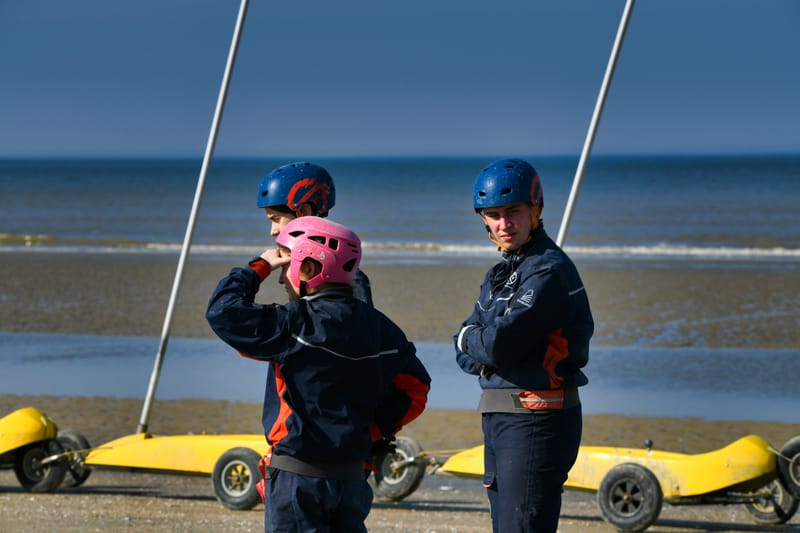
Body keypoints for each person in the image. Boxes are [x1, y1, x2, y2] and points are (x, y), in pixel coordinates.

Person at [206, 216, 431, 533]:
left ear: (309, 269)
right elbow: (416, 388)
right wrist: (372, 430)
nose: (281, 279)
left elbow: (223, 311)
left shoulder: (294, 323)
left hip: (298, 477)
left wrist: (259, 266)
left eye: (286, 266)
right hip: (351, 479)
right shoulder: (383, 328)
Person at [454, 158, 594, 533]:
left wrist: (478, 343)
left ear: (536, 208)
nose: (504, 224)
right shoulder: (500, 274)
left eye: (513, 211)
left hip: (535, 421)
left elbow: (497, 345)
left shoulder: (548, 270)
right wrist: (476, 343)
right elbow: (466, 346)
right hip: (500, 418)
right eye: (493, 214)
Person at [256, 160, 373, 306]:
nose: (273, 231)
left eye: (276, 219)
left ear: (304, 212)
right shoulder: (347, 272)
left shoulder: (351, 279)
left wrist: (256, 268)